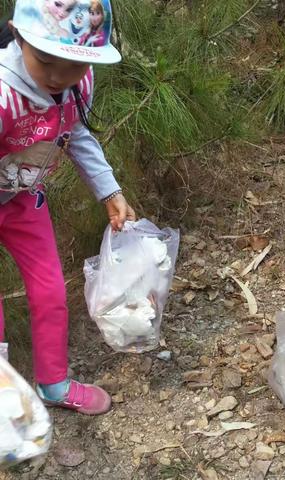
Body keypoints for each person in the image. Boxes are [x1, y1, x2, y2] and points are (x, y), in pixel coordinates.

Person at [0, 0, 135, 415]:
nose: (58, 77)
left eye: (73, 65)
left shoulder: (78, 83)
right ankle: (5, 399)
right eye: (46, 61)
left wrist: (109, 190)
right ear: (18, 36)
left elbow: (76, 135)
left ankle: (53, 385)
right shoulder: (4, 94)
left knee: (50, 290)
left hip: (23, 200)